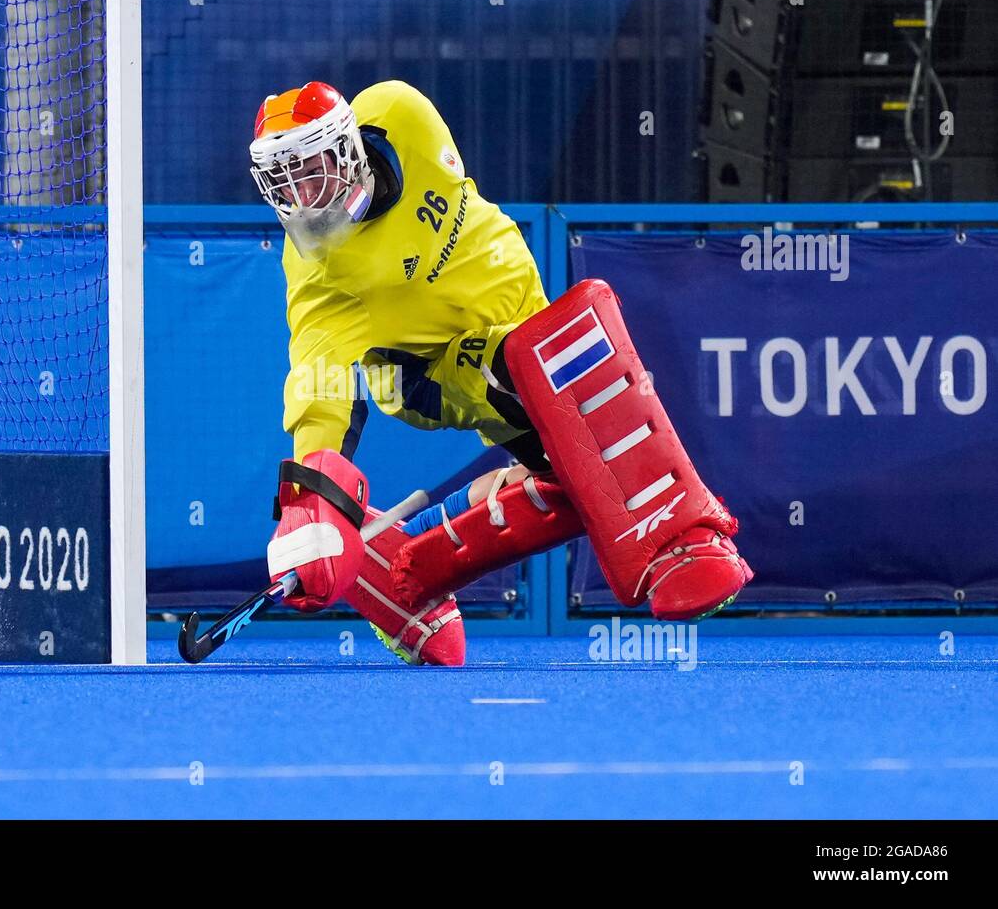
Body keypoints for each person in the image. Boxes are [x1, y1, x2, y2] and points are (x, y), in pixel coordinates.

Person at [250, 81, 752, 664]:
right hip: (425, 371)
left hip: (517, 317)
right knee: (565, 373)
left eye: (312, 170)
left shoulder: (403, 113)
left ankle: (404, 562)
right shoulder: (318, 273)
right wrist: (310, 506)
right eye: (286, 183)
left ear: (347, 151)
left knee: (582, 476)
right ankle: (681, 542)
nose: (306, 195)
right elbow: (321, 384)